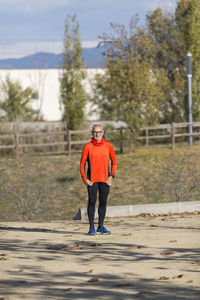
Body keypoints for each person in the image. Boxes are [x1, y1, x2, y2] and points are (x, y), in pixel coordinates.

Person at [80, 124, 117, 235]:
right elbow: (82, 164)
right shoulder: (87, 147)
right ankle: (91, 227)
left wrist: (111, 176)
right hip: (92, 180)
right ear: (92, 133)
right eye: (95, 132)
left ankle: (101, 226)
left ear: (103, 132)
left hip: (105, 180)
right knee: (92, 202)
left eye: (99, 132)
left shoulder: (108, 145)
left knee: (103, 202)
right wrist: (85, 179)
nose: (97, 134)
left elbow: (114, 162)